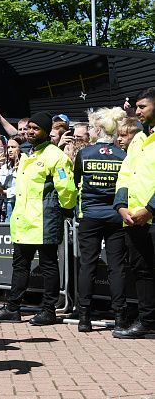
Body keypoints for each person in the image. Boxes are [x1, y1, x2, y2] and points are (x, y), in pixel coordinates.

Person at [0, 111, 77, 326]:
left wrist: (64, 209)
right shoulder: (29, 155)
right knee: (20, 266)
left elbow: (67, 188)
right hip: (24, 222)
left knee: (48, 266)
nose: (30, 132)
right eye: (29, 128)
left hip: (45, 221)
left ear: (46, 131)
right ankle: (13, 308)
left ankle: (49, 310)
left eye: (36, 128)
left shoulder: (56, 156)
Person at [74, 107, 128, 332]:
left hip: (89, 215)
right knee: (117, 267)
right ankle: (120, 317)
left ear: (97, 129)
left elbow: (76, 182)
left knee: (88, 264)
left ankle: (84, 318)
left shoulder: (84, 154)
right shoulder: (122, 155)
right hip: (117, 215)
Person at [112, 87, 155, 339]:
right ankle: (147, 320)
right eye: (137, 107)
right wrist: (121, 206)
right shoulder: (138, 139)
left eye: (142, 107)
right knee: (142, 272)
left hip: (150, 216)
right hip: (134, 220)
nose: (137, 111)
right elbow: (125, 174)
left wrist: (150, 210)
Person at [0, 135, 25, 222]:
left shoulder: (26, 164)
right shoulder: (6, 166)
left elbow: (24, 186)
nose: (9, 150)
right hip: (7, 204)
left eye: (13, 147)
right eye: (8, 147)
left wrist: (5, 192)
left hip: (20, 204)